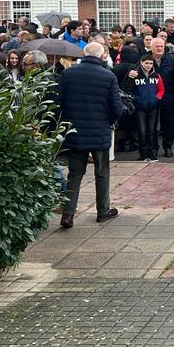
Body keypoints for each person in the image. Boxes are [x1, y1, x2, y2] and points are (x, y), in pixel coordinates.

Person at [57, 42, 125, 229]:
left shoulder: (68, 74)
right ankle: (103, 211)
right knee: (102, 173)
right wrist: (108, 122)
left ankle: (68, 214)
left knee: (75, 174)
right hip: (100, 132)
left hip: (75, 131)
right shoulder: (108, 76)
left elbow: (58, 103)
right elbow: (117, 107)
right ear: (102, 56)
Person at [132, 52, 165, 161]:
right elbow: (129, 89)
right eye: (146, 63)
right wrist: (136, 99)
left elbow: (161, 89)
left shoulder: (156, 75)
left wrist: (157, 98)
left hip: (153, 107)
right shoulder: (135, 75)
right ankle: (143, 154)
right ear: (141, 63)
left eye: (151, 63)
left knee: (151, 131)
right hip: (140, 107)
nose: (149, 65)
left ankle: (152, 153)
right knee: (142, 131)